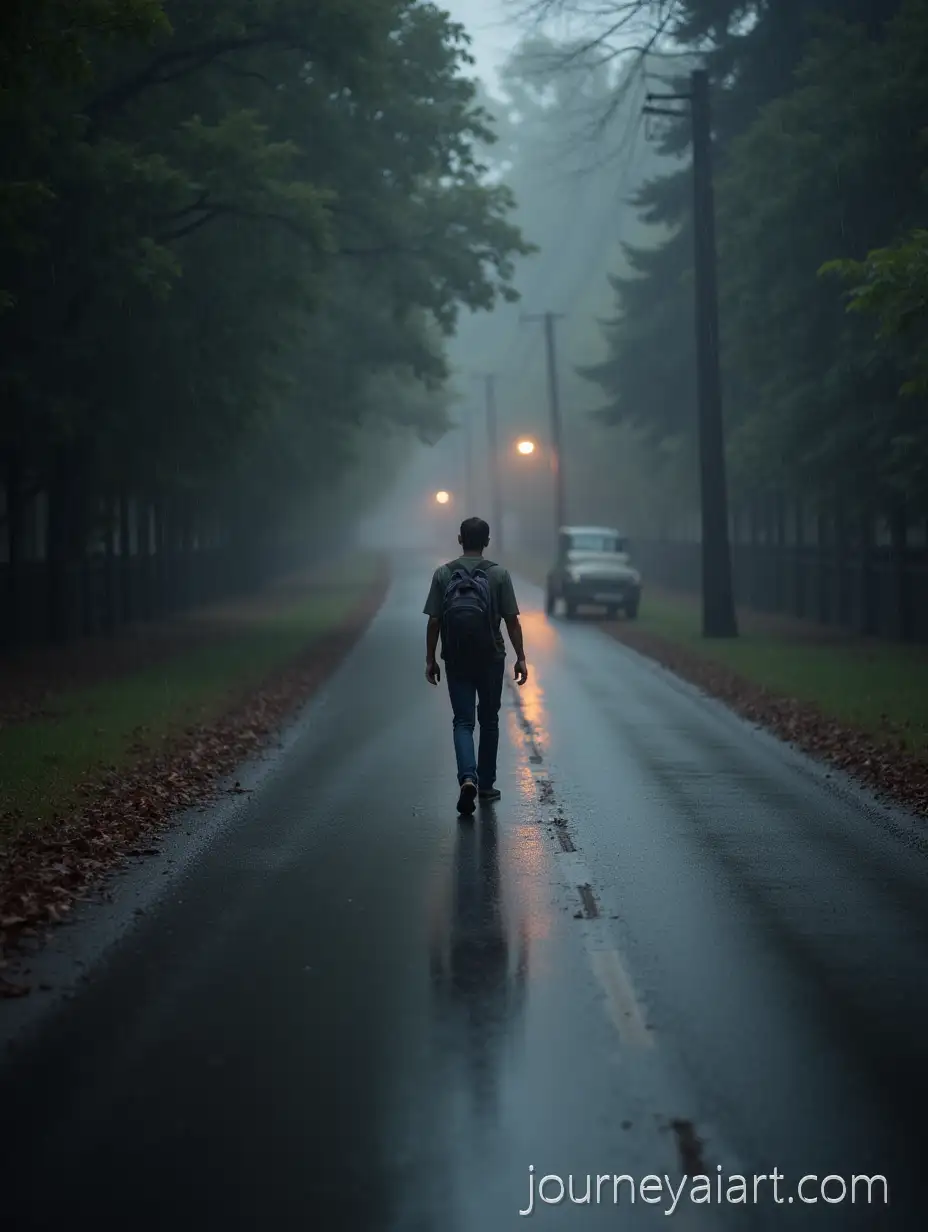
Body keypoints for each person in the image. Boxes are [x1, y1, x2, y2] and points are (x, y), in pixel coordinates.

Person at [423, 516, 528, 815]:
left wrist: (431, 658)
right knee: (490, 720)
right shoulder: (499, 575)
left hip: (455, 658)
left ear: (459, 539)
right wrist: (521, 657)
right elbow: (512, 621)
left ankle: (467, 776)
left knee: (463, 721)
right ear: (487, 542)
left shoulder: (443, 574)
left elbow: (434, 621)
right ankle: (485, 785)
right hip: (491, 657)